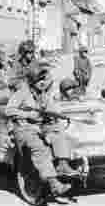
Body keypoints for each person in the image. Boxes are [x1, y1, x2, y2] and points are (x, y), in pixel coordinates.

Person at [5, 63, 72, 196]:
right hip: (23, 128)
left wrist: (60, 114)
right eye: (38, 80)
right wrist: (28, 114)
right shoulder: (22, 93)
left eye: (43, 79)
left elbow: (51, 108)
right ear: (32, 81)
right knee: (39, 147)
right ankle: (54, 184)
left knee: (58, 131)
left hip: (39, 127)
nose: (42, 83)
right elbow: (9, 110)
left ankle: (62, 164)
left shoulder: (43, 95)